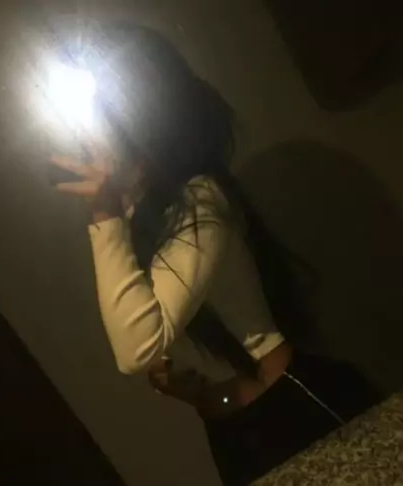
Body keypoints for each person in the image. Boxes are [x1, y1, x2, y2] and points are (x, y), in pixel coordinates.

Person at [50, 23, 382, 485]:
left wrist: (104, 217)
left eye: (95, 116)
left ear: (138, 114)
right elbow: (153, 345)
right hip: (232, 427)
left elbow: (134, 350)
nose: (83, 134)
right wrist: (192, 391)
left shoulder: (200, 198)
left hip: (295, 408)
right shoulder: (140, 219)